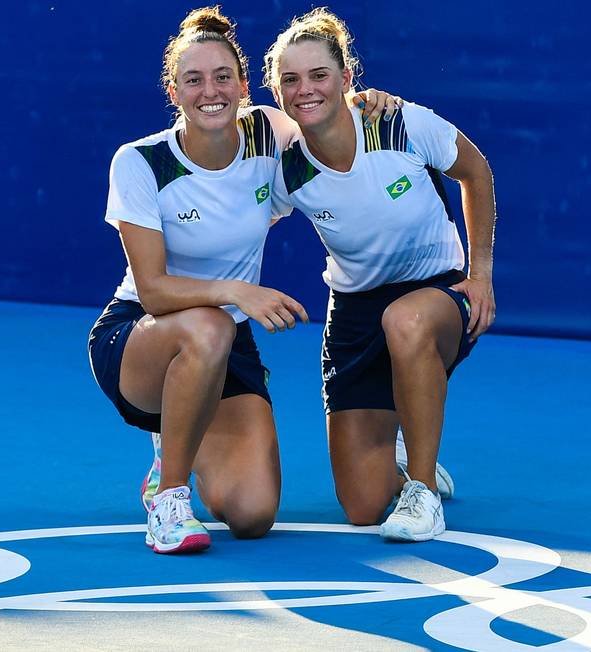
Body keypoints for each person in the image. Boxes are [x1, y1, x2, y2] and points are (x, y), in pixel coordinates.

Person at [87, 6, 400, 554]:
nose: (210, 90)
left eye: (222, 77)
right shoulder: (139, 162)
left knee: (253, 514)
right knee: (209, 328)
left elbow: (323, 114)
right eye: (194, 80)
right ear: (174, 91)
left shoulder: (267, 132)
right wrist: (236, 291)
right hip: (141, 336)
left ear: (243, 85)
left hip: (224, 343)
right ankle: (169, 494)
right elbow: (155, 289)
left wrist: (367, 102)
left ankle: (186, 429)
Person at [265, 8, 496, 542]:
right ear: (276, 92)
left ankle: (422, 490)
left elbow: (475, 171)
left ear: (347, 79)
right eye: (290, 80)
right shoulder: (288, 168)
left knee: (406, 321)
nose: (306, 90)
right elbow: (236, 216)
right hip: (354, 313)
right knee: (364, 505)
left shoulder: (398, 123)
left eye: (319, 75)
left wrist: (480, 274)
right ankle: (408, 443)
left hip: (436, 294)